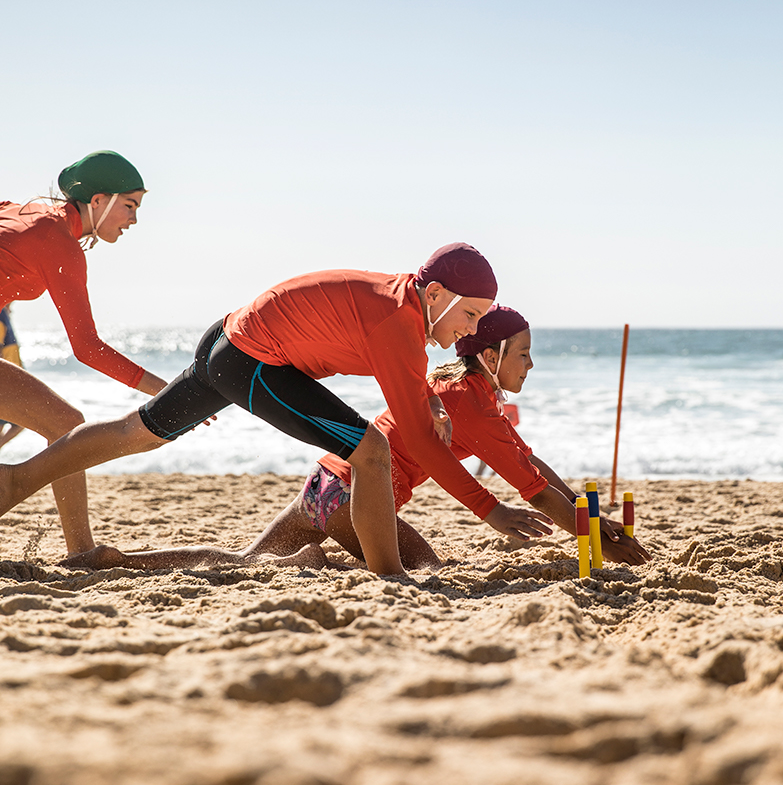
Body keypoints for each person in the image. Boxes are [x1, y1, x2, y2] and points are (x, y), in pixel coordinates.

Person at [0, 244, 554, 575]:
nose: (473, 330)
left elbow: (413, 396)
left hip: (229, 339)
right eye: (472, 314)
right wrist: (492, 512)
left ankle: (16, 481)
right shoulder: (398, 322)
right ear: (435, 296)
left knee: (137, 431)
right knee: (370, 449)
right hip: (254, 359)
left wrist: (430, 401)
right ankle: (392, 579)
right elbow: (421, 440)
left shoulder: (400, 305)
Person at [67, 306, 650, 574]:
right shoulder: (475, 406)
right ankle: (312, 555)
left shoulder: (457, 386)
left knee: (246, 562)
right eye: (525, 354)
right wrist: (599, 535)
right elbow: (535, 492)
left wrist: (591, 518)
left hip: (325, 482)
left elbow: (534, 464)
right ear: (491, 356)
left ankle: (121, 560)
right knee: (428, 569)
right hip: (358, 501)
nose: (532, 365)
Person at [0, 152, 168, 553]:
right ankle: (81, 551)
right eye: (130, 205)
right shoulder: (56, 240)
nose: (134, 219)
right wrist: (167, 390)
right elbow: (88, 348)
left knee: (64, 424)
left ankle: (81, 551)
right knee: (66, 425)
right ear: (98, 200)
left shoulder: (29, 215)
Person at [0, 307, 26, 450]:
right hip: (7, 378)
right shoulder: (1, 313)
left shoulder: (4, 313)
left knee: (22, 419)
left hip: (14, 376)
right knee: (25, 417)